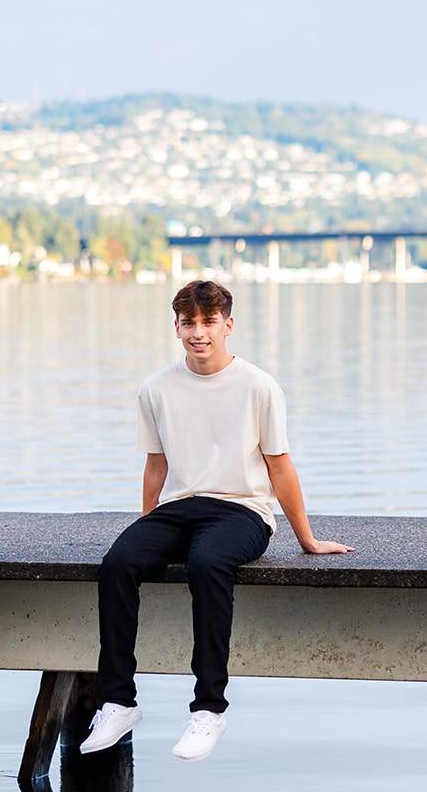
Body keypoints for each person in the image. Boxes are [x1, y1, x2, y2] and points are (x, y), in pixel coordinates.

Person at [79, 279, 353, 762]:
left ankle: (209, 709)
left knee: (208, 564)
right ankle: (118, 701)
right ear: (177, 327)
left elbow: (279, 466)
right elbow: (157, 466)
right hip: (179, 508)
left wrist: (306, 539)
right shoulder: (156, 388)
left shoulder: (259, 386)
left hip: (242, 510)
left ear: (228, 325)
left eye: (208, 322)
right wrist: (146, 532)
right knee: (119, 562)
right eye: (189, 323)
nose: (198, 333)